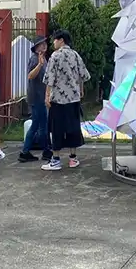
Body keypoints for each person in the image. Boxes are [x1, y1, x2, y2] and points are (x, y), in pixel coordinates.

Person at [41, 29, 90, 172]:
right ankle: (73, 158)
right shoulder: (75, 55)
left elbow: (50, 78)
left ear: (61, 40)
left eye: (55, 40)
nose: (53, 43)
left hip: (58, 99)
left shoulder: (55, 56)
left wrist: (47, 96)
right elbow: (83, 75)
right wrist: (80, 89)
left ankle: (55, 159)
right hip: (73, 98)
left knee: (56, 129)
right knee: (73, 128)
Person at [19, 36, 52, 163]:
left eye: (45, 44)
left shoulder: (43, 58)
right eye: (41, 44)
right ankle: (41, 151)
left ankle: (33, 151)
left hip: (42, 96)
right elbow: (30, 76)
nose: (44, 46)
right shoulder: (34, 59)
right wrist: (39, 65)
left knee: (39, 125)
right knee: (40, 126)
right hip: (37, 98)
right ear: (36, 47)